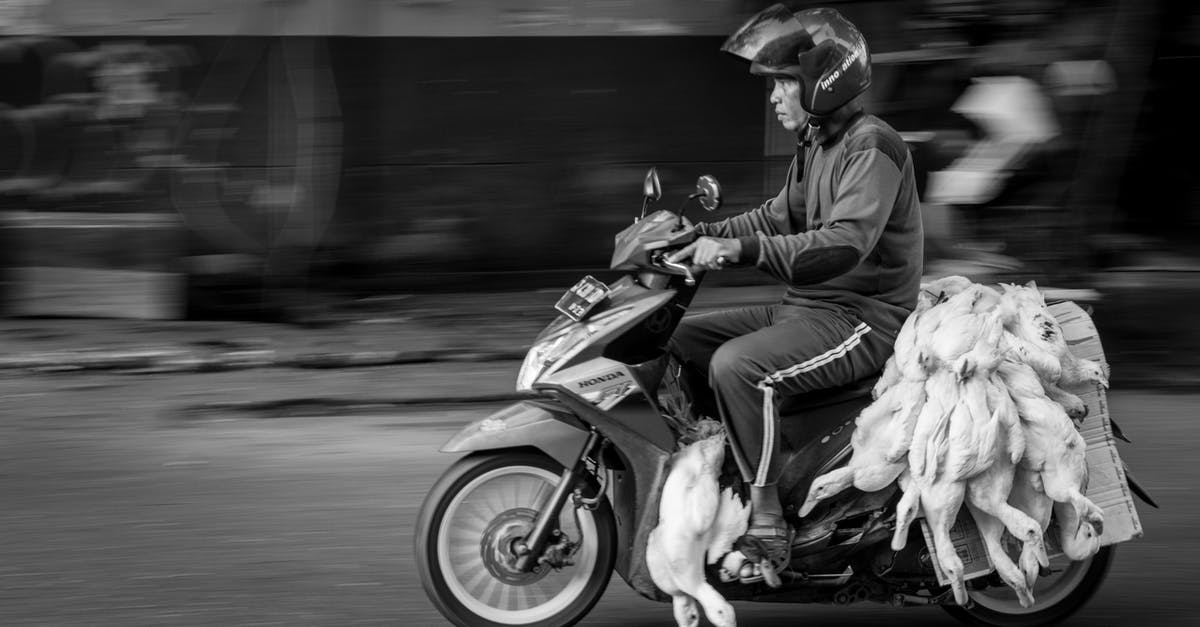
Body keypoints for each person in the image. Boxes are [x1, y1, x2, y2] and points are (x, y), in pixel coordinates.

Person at [666, 4, 923, 586]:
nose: (775, 96)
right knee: (678, 340)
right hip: (807, 307)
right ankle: (717, 467)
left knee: (738, 366)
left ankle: (766, 517)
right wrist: (699, 235)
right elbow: (777, 217)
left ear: (823, 83)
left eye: (784, 82)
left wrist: (741, 253)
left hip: (862, 318)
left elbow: (843, 245)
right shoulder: (816, 141)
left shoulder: (872, 147)